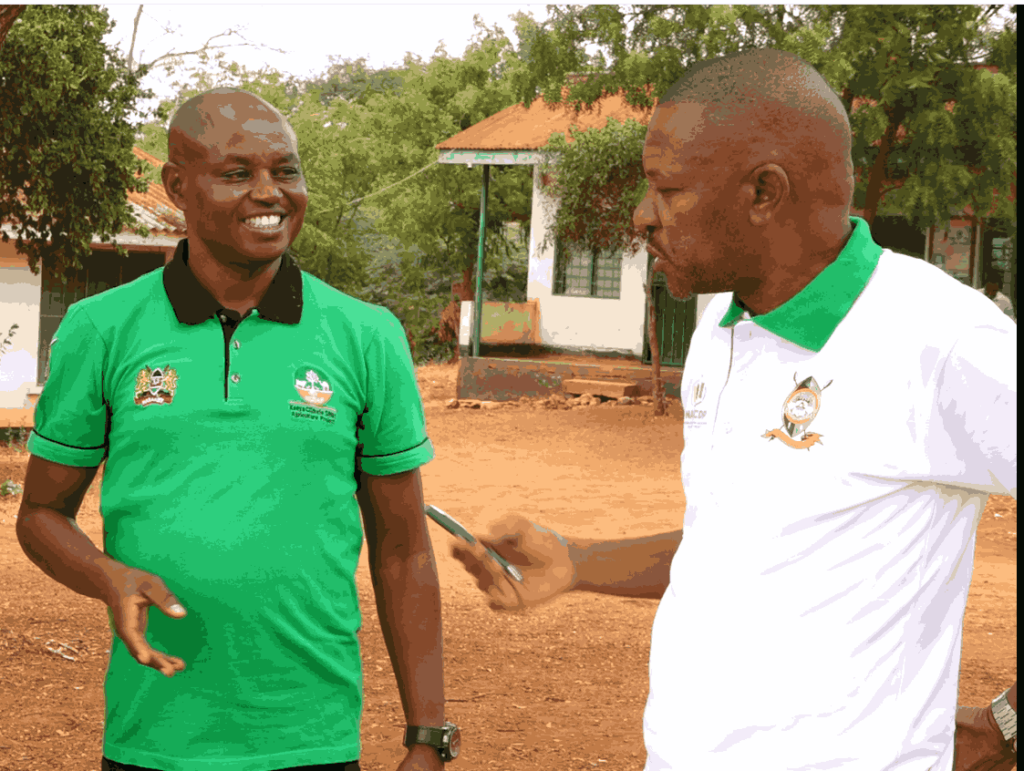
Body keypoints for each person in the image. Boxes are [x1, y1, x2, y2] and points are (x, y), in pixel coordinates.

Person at [453, 49, 1017, 770]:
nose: (643, 215)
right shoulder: (722, 328)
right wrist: (577, 562)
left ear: (764, 192)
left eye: (669, 190)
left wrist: (1005, 725)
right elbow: (736, 539)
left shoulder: (943, 340)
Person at [17, 89, 455, 771]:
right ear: (177, 186)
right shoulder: (100, 329)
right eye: (236, 173)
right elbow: (41, 513)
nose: (270, 193)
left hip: (312, 740)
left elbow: (403, 551)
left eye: (286, 171)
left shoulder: (367, 336)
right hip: (153, 740)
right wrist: (106, 575)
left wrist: (428, 735)